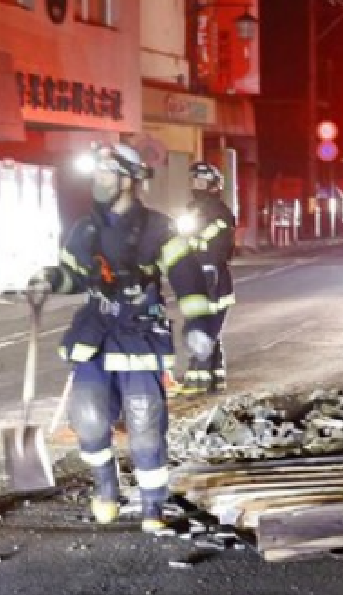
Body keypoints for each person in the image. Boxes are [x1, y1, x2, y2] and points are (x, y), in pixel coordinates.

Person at [27, 143, 216, 533]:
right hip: (95, 329)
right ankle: (106, 489)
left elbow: (187, 278)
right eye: (97, 173)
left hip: (140, 331)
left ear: (130, 180)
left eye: (107, 173)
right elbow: (74, 274)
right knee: (89, 417)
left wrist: (198, 325)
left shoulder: (158, 228)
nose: (99, 181)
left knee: (146, 422)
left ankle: (152, 505)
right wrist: (49, 279)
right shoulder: (85, 228)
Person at [176, 161, 237, 395]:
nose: (197, 186)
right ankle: (214, 378)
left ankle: (197, 379)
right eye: (194, 181)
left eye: (202, 182)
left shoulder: (220, 213)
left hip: (212, 280)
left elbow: (217, 248)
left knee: (201, 328)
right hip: (199, 278)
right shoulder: (192, 210)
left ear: (213, 185)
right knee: (208, 328)